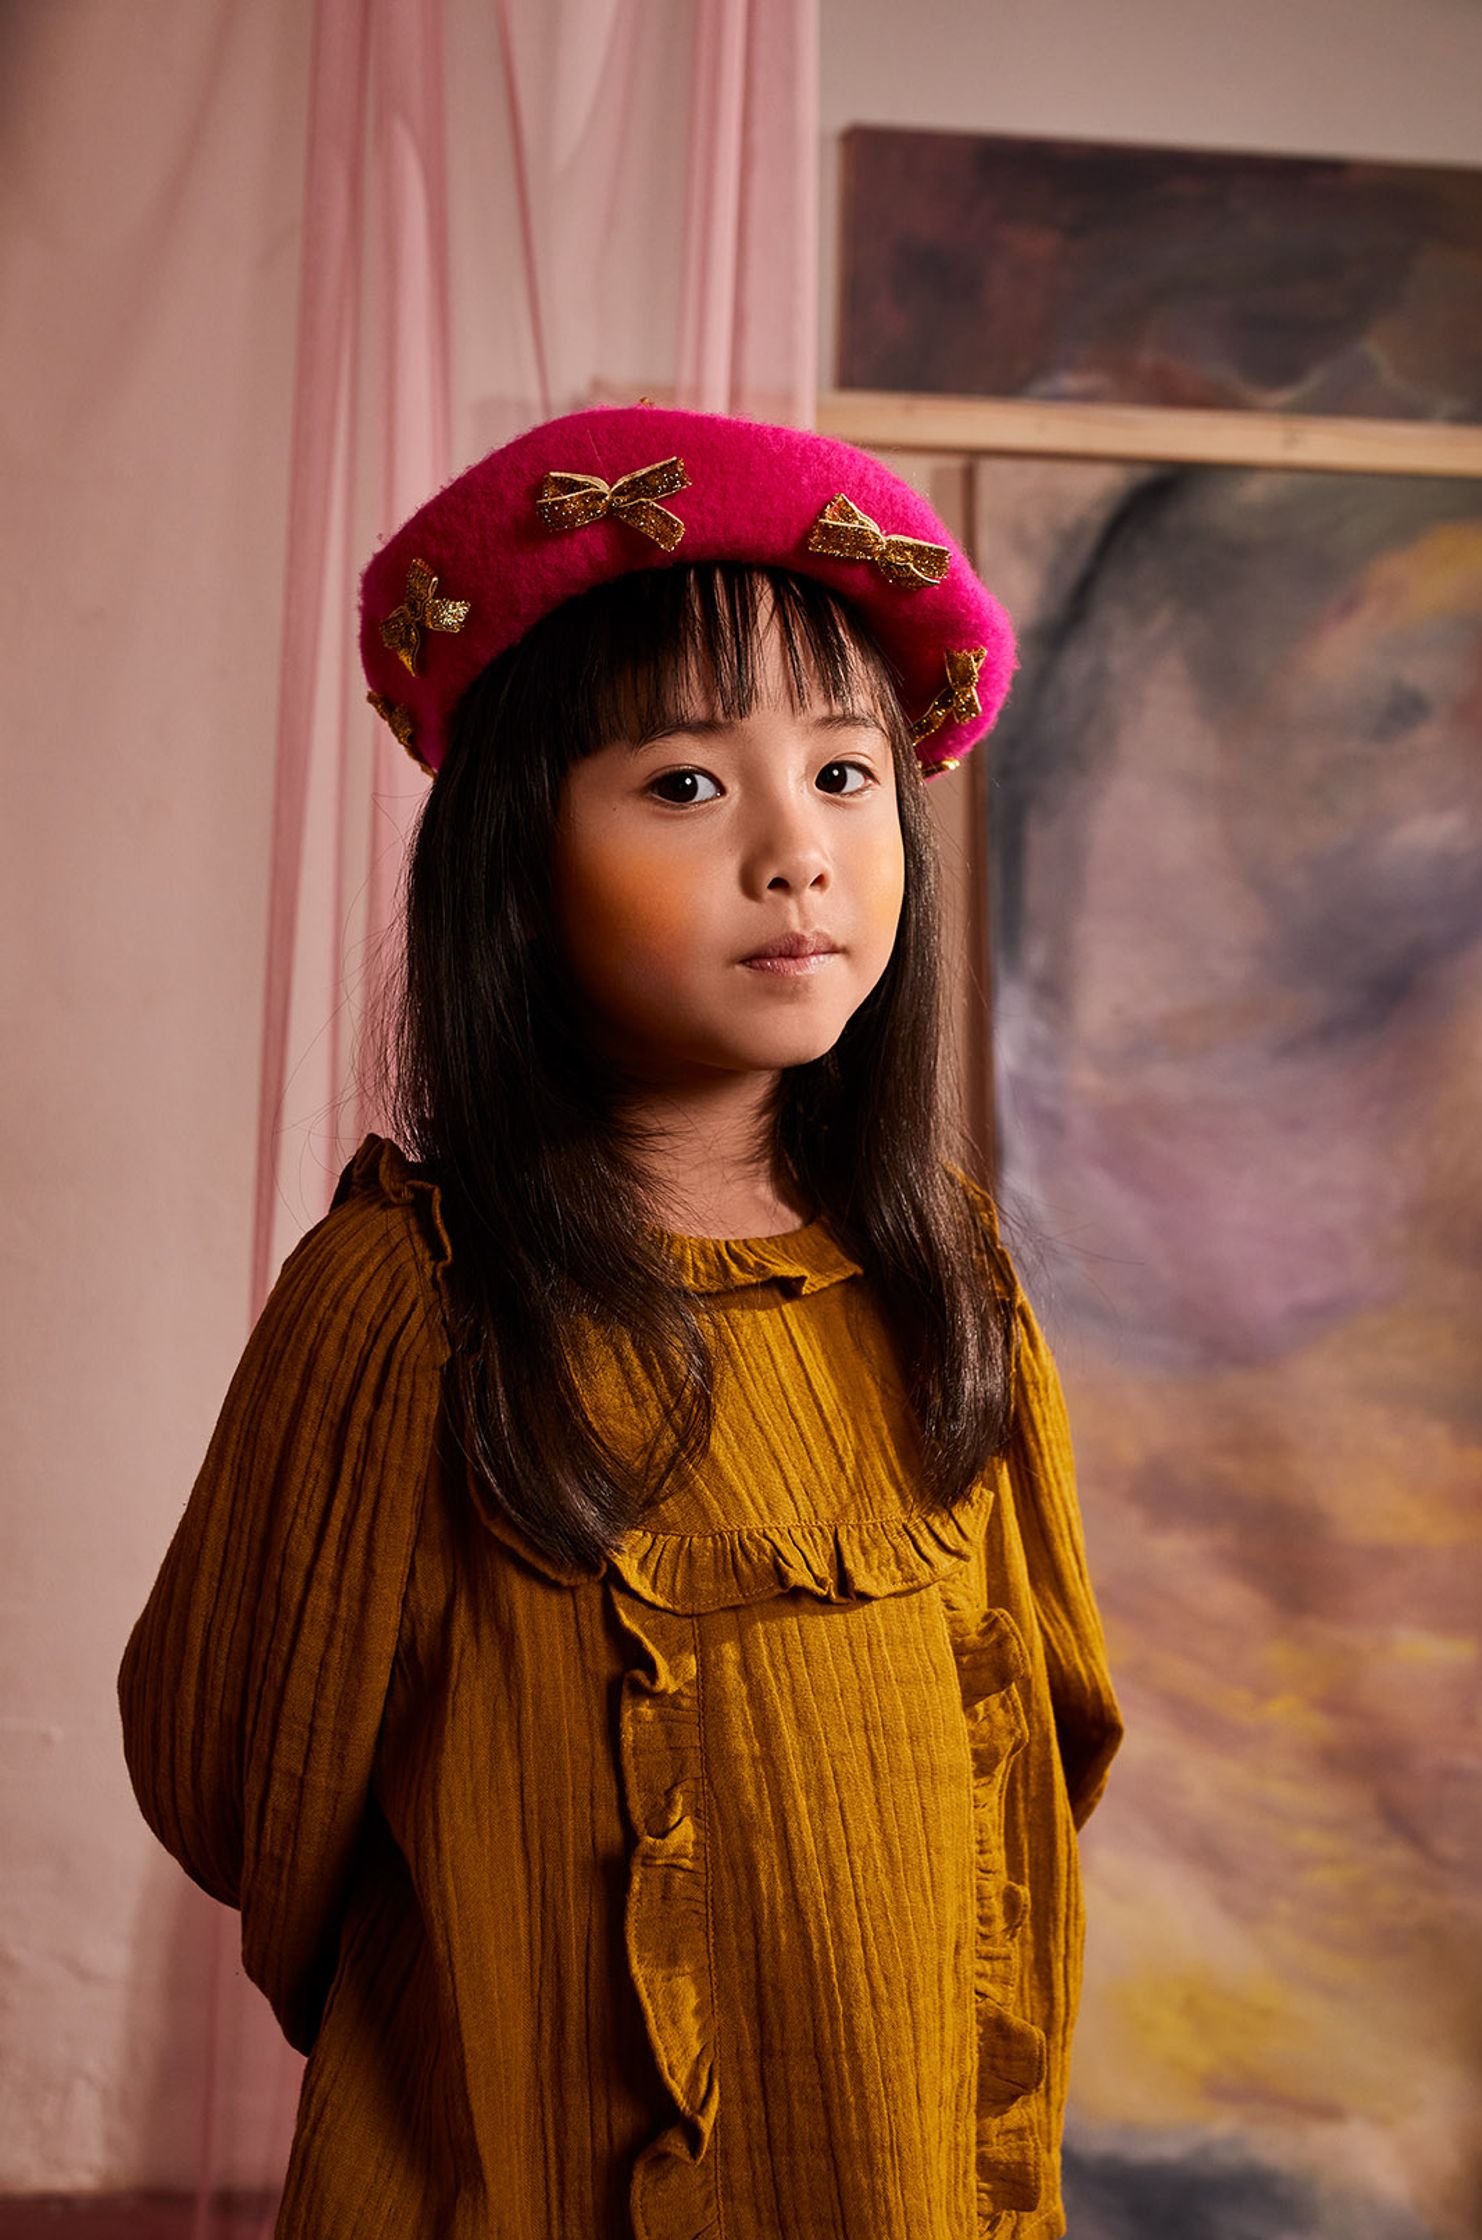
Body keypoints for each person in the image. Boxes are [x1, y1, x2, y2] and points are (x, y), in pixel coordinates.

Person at [118, 402, 1124, 2240]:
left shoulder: (942, 1281)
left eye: (843, 775)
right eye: (683, 783)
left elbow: (1039, 1756)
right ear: (517, 860)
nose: (795, 853)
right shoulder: (407, 1303)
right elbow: (232, 1775)